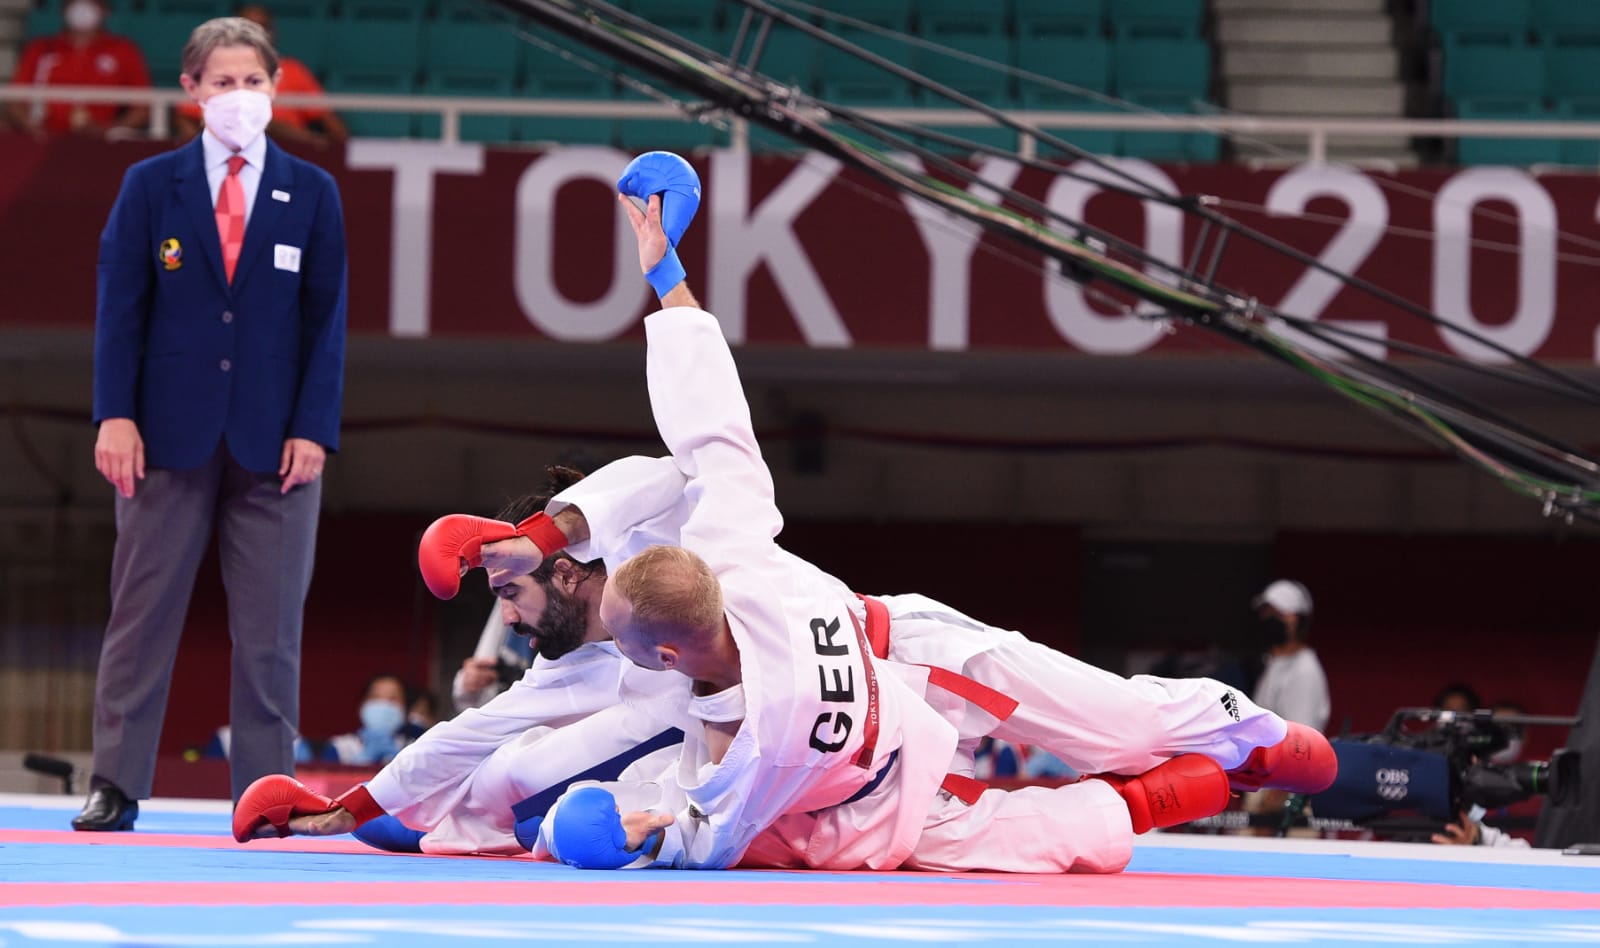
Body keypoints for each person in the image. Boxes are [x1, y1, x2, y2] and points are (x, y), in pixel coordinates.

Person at [74, 15, 347, 833]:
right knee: (141, 615)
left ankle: (264, 796)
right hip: (163, 437)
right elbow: (119, 311)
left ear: (275, 90)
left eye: (253, 83)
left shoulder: (313, 191)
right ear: (190, 91)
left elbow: (326, 320)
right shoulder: (151, 186)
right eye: (222, 83)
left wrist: (315, 427)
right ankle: (115, 783)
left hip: (277, 445)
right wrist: (115, 416)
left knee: (271, 632)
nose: (239, 97)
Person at [173, 4, 347, 146]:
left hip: (289, 152)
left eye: (263, 28)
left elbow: (333, 126)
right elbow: (184, 116)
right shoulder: (210, 70)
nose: (255, 36)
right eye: (247, 28)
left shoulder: (294, 70)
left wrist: (314, 143)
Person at [6, 0, 150, 137]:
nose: (82, 7)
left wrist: (109, 129)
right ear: (63, 9)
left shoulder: (124, 51)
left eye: (92, 2)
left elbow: (143, 108)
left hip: (101, 143)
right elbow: (14, 101)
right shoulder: (40, 49)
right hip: (44, 138)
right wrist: (31, 127)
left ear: (106, 9)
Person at [322, 674, 415, 767]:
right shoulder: (339, 747)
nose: (383, 704)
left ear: (405, 707)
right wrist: (359, 763)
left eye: (392, 698)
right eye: (375, 697)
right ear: (363, 704)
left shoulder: (414, 748)